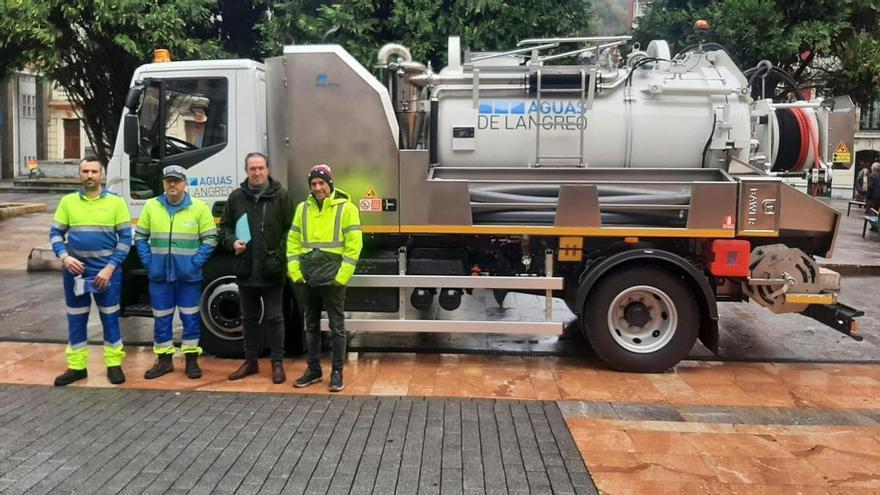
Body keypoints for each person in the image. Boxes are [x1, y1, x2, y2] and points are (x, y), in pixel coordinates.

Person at [50, 156, 132, 386]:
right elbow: (55, 233)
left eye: (94, 172)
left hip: (106, 273)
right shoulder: (68, 202)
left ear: (101, 175)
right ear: (79, 175)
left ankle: (114, 366)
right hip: (75, 273)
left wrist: (110, 268)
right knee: (76, 320)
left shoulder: (116, 203)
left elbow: (126, 238)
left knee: (110, 318)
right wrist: (64, 257)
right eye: (85, 171)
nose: (89, 176)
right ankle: (77, 368)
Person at [134, 165, 218, 379]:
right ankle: (164, 361)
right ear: (163, 183)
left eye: (177, 181)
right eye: (169, 180)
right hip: (160, 276)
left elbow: (210, 239)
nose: (173, 184)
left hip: (188, 277)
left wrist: (194, 263)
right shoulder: (152, 206)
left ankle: (191, 361)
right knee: (161, 319)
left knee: (190, 318)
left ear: (185, 184)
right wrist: (148, 262)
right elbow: (141, 237)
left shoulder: (199, 207)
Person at [220, 152, 295, 384]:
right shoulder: (236, 198)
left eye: (261, 168)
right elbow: (224, 228)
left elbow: (290, 231)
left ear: (268, 169)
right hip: (246, 269)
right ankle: (250, 361)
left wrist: (279, 256)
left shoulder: (282, 196)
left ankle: (277, 364)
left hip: (272, 269)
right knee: (249, 318)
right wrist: (232, 242)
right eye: (253, 169)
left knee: (275, 318)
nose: (257, 172)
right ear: (246, 171)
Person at [288, 164, 362, 392]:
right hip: (308, 277)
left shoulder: (346, 208)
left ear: (330, 184)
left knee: (337, 327)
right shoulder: (302, 209)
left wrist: (341, 277)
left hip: (332, 278)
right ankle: (313, 370)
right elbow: (293, 241)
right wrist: (296, 272)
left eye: (322, 183)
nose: (318, 187)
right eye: (314, 184)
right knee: (310, 325)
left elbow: (354, 245)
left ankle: (337, 372)